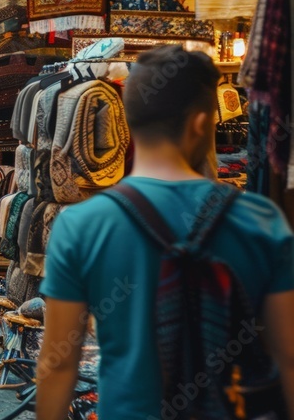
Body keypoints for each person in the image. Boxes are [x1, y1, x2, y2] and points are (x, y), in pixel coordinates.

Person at [36, 46, 294, 420]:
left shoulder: (81, 226)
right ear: (201, 123)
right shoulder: (259, 220)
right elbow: (287, 356)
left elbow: (58, 366)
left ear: (128, 119)